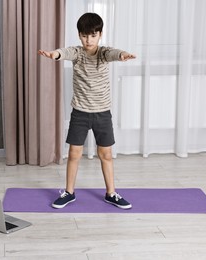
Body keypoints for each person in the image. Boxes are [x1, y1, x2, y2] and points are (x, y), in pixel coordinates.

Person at [38, 12, 135, 210]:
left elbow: (115, 53)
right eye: (84, 35)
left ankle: (111, 193)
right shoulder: (77, 53)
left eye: (92, 35)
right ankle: (69, 192)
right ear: (79, 35)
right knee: (74, 153)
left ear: (100, 34)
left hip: (102, 114)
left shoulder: (104, 53)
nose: (88, 40)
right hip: (80, 113)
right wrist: (53, 54)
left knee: (105, 154)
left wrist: (123, 55)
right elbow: (63, 52)